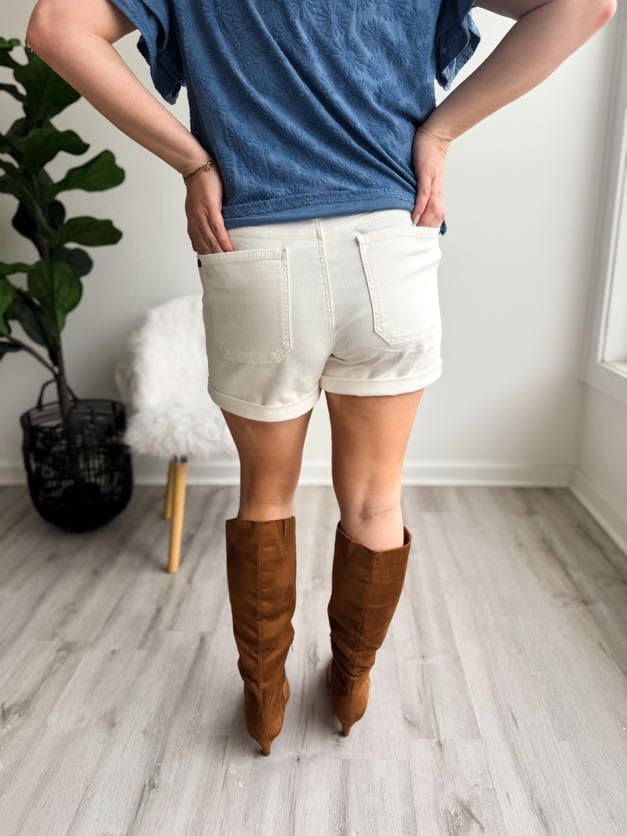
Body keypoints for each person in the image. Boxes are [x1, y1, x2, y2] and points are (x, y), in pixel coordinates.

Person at [26, 0, 616, 756]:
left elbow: (54, 28)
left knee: (265, 496)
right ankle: (350, 685)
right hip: (390, 242)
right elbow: (587, 5)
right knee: (374, 499)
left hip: (251, 244)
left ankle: (264, 702)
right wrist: (438, 132)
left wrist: (195, 163)